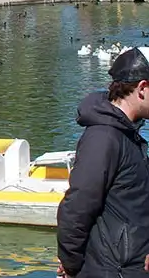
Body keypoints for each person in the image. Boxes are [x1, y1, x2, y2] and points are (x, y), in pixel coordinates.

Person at [57, 47, 149, 278]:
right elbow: (77, 207)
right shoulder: (104, 138)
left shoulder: (129, 133)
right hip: (112, 270)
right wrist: (71, 265)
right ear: (143, 89)